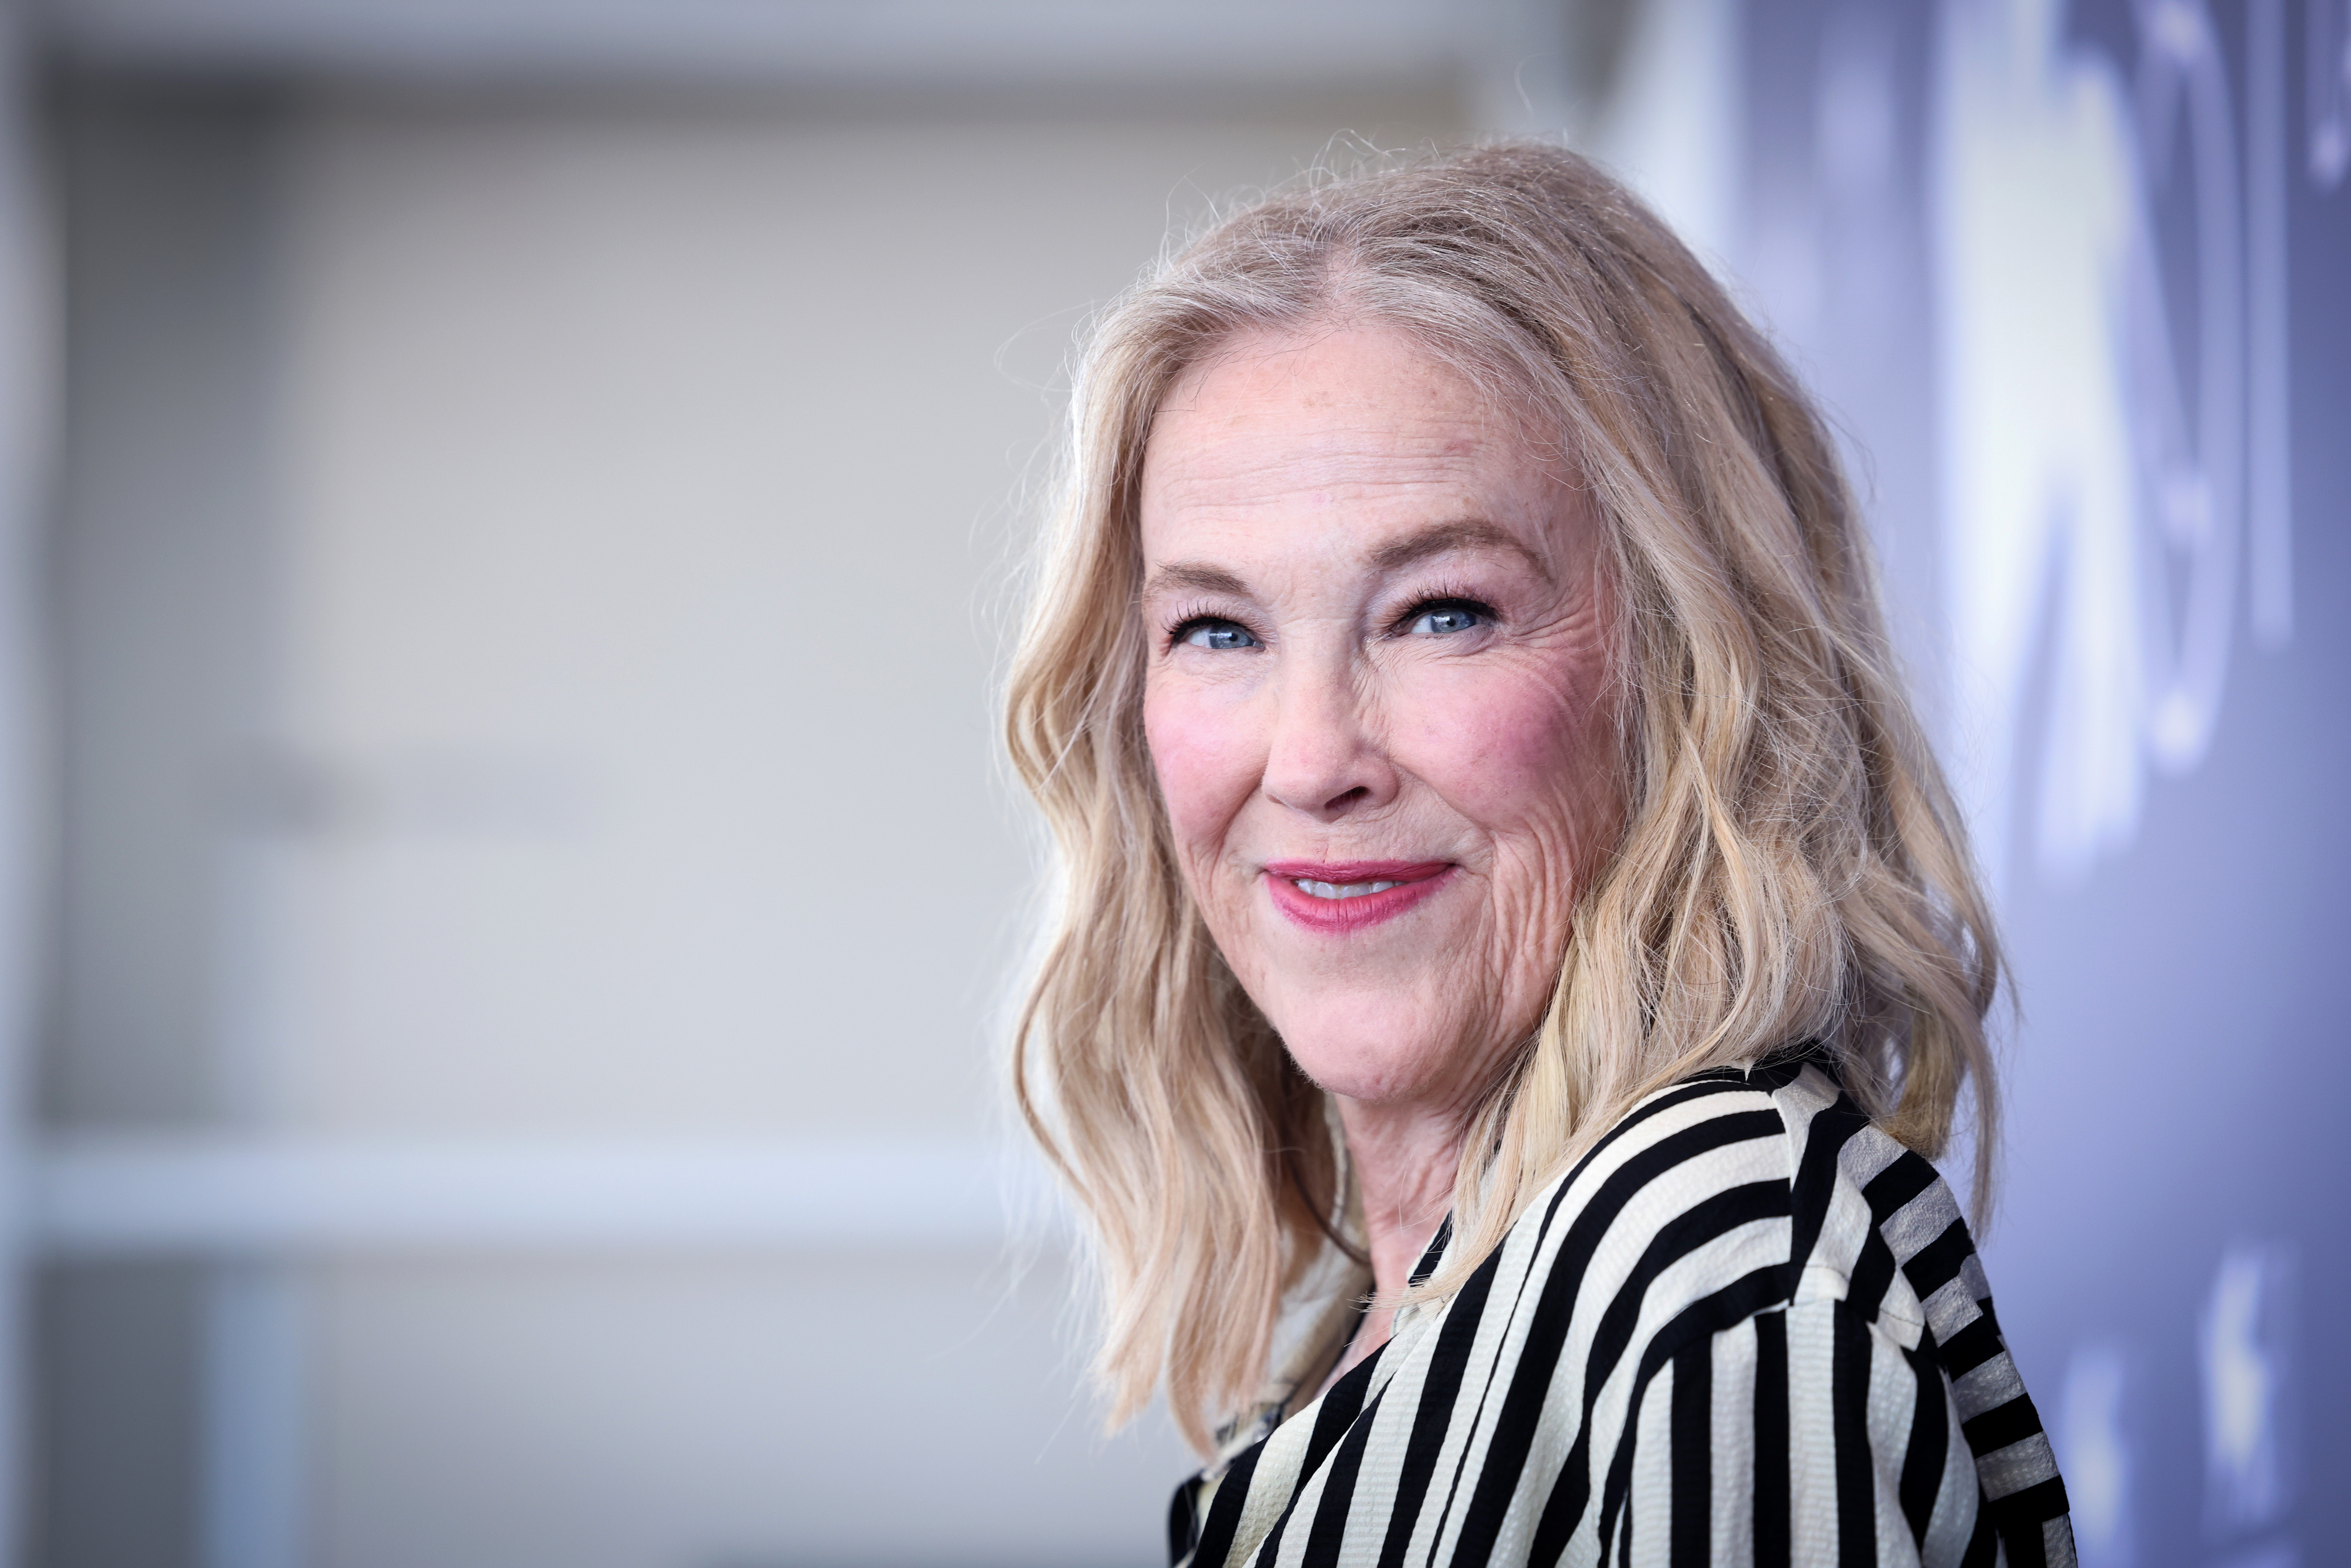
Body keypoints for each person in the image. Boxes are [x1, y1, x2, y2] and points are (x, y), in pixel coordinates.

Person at [1003, 142, 2074, 1568]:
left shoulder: (1712, 1262)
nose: (1314, 758)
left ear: (1691, 670)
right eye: (1218, 630)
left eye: (1441, 612)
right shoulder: (1388, 1340)